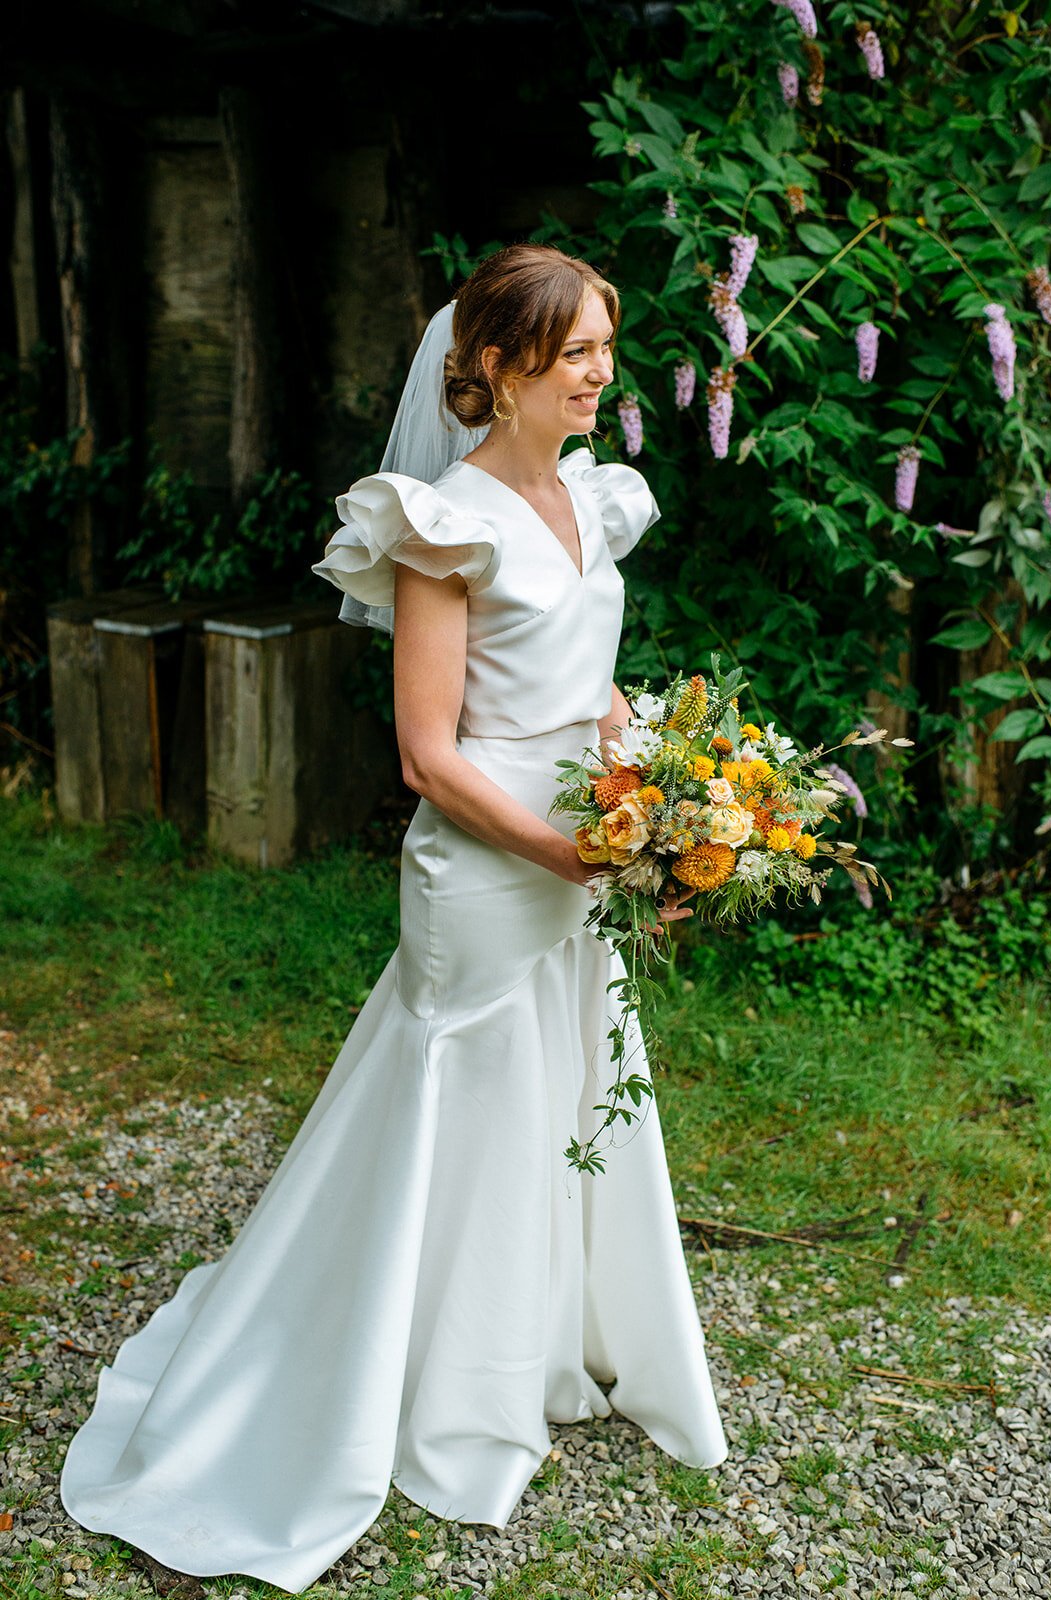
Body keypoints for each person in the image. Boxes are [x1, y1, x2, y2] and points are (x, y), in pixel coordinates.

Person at [60, 243, 728, 1594]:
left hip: (582, 845)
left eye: (609, 345)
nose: (606, 373)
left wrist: (656, 777)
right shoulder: (440, 523)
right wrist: (562, 845)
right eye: (579, 351)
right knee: (465, 1104)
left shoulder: (595, 504)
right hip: (486, 869)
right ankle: (426, 1385)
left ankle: (540, 1341)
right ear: (494, 367)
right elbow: (430, 752)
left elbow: (580, 679)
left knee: (573, 1080)